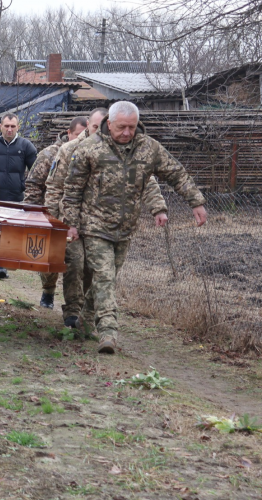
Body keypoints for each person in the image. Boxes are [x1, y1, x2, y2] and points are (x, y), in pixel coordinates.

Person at [62, 101, 207, 354]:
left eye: (131, 127)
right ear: (109, 124)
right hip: (94, 226)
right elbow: (71, 191)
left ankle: (83, 323)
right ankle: (108, 332)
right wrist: (72, 224)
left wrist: (196, 201)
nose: (127, 133)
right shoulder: (88, 149)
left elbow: (176, 173)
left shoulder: (148, 149)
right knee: (104, 277)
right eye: (121, 127)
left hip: (126, 228)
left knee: (107, 279)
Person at [46, 108, 166, 334]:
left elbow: (146, 182)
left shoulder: (125, 153)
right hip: (71, 219)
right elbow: (54, 187)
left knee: (97, 271)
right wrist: (55, 221)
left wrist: (157, 207)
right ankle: (73, 310)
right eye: (94, 127)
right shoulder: (70, 150)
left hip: (100, 223)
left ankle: (86, 315)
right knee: (75, 262)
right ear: (90, 126)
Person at [24, 116, 86, 309]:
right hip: (50, 214)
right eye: (78, 135)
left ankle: (76, 305)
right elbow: (34, 185)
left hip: (77, 217)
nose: (82, 139)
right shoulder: (50, 154)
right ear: (69, 133)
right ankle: (48, 290)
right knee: (50, 259)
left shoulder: (91, 153)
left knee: (77, 263)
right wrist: (34, 214)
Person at [0, 113, 37, 279]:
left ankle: (3, 264)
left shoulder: (26, 146)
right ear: (0, 126)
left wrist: (30, 191)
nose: (9, 129)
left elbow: (36, 172)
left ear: (18, 127)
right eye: (6, 126)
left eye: (13, 126)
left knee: (10, 232)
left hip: (16, 197)